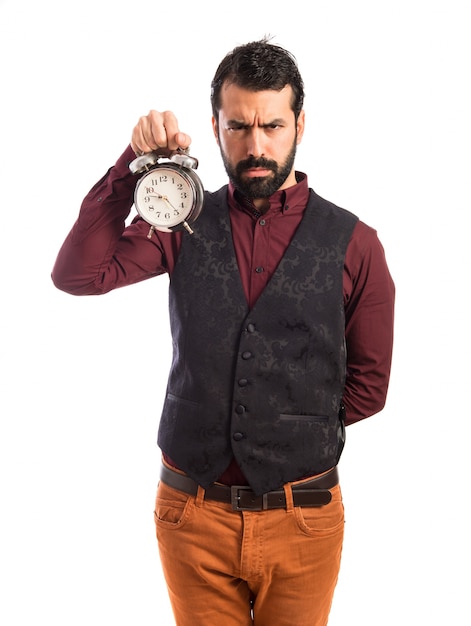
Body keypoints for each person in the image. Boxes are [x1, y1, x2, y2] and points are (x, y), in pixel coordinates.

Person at [52, 38, 395, 626]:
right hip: (193, 517)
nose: (255, 146)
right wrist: (128, 167)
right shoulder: (179, 221)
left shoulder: (356, 242)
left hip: (304, 520)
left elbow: (368, 388)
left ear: (300, 125)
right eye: (238, 126)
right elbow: (79, 274)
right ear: (215, 127)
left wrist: (290, 428)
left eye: (272, 126)